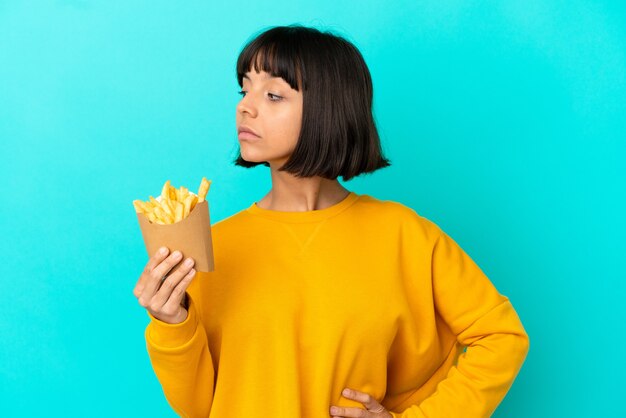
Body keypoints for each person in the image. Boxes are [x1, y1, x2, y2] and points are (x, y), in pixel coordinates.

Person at [133, 24, 530, 418]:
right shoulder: (211, 246)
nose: (245, 106)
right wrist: (172, 322)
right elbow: (199, 407)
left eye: (273, 95)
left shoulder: (404, 235)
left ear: (329, 108)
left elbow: (502, 337)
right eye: (244, 89)